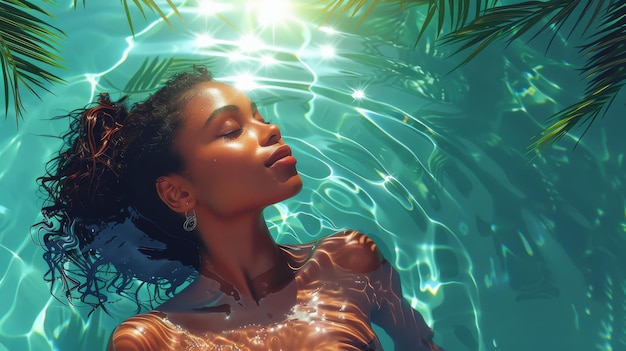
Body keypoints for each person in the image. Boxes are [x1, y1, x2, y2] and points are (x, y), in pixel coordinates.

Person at [36, 66, 443, 350]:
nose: (270, 130)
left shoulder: (350, 262)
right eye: (232, 130)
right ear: (178, 194)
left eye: (259, 116)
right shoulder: (154, 341)